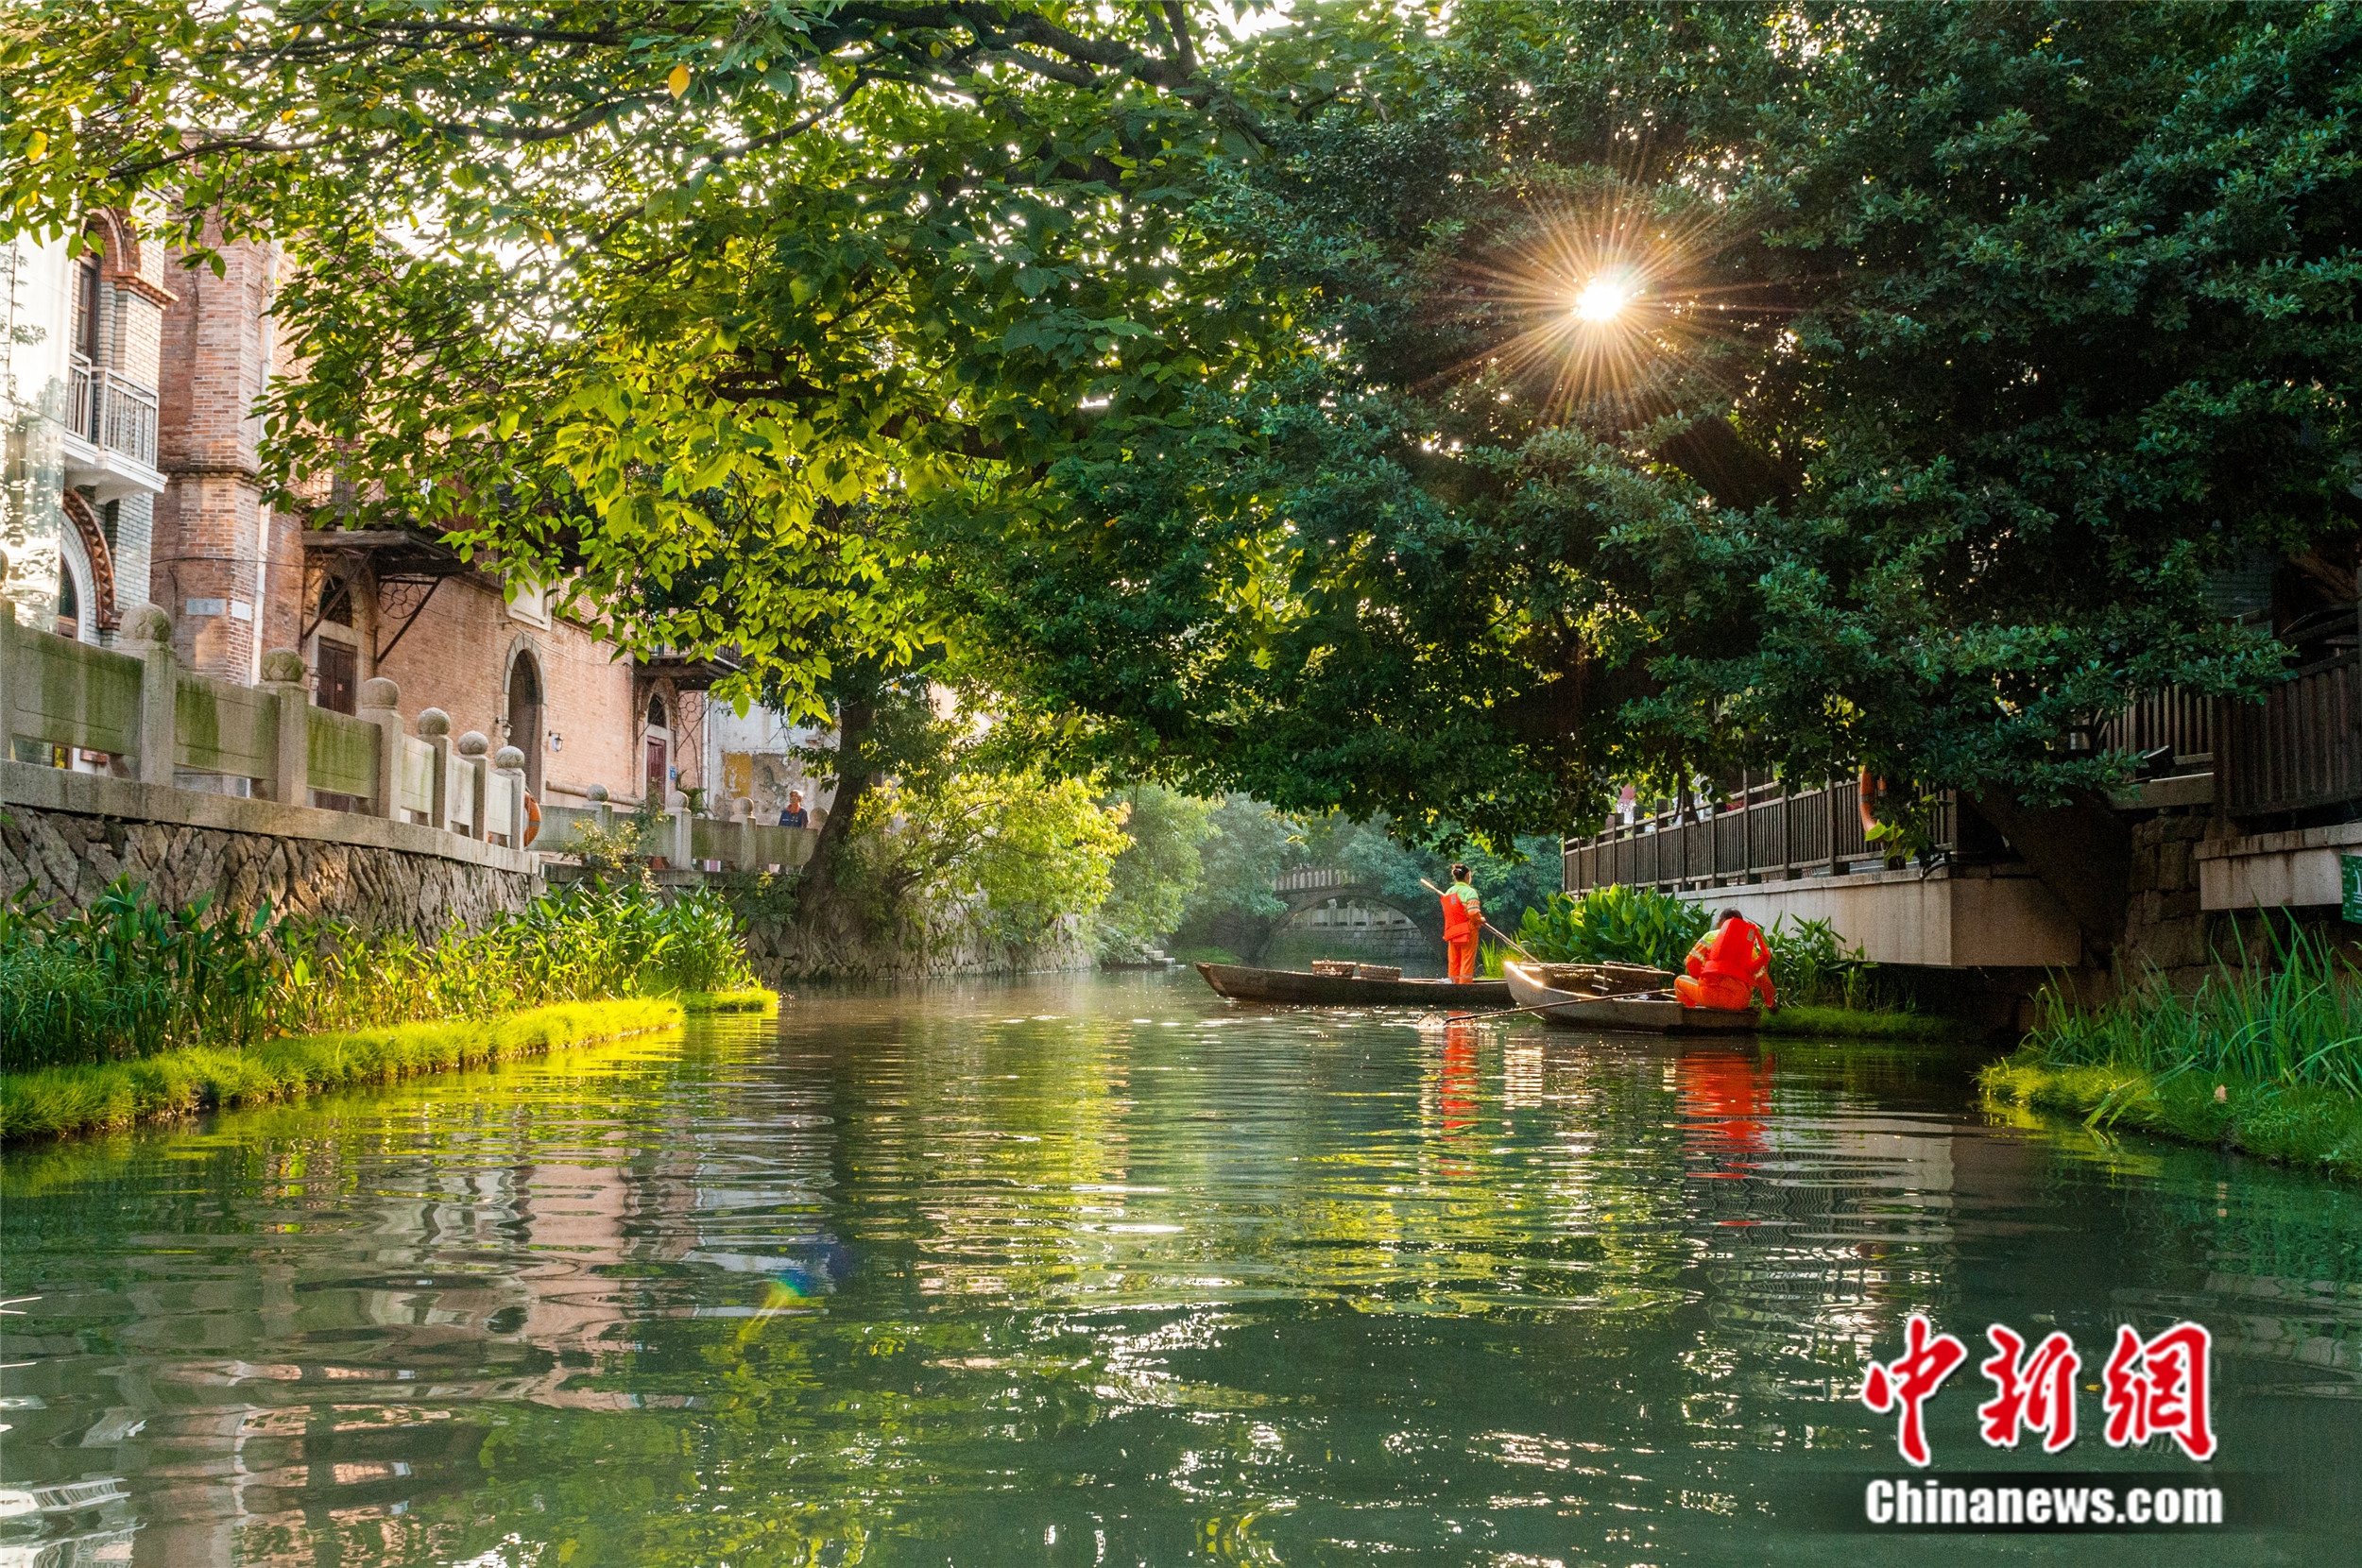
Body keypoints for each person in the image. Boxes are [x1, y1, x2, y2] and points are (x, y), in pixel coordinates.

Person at [1676, 907, 1778, 1012]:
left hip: (1712, 995)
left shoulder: (1710, 936)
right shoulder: (1748, 946)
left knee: (1679, 982)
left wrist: (1701, 978)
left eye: (1718, 919)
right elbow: (1762, 977)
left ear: (1724, 921)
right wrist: (1769, 1001)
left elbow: (1691, 962)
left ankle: (1690, 1019)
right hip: (1740, 1001)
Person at [1439, 863, 1483, 983]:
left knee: (1454, 960)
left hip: (1452, 931)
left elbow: (1448, 912)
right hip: (1468, 931)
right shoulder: (1470, 892)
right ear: (1468, 876)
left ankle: (1453, 984)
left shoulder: (1448, 892)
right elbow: (1473, 912)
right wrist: (1480, 920)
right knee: (1466, 960)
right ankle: (1464, 987)